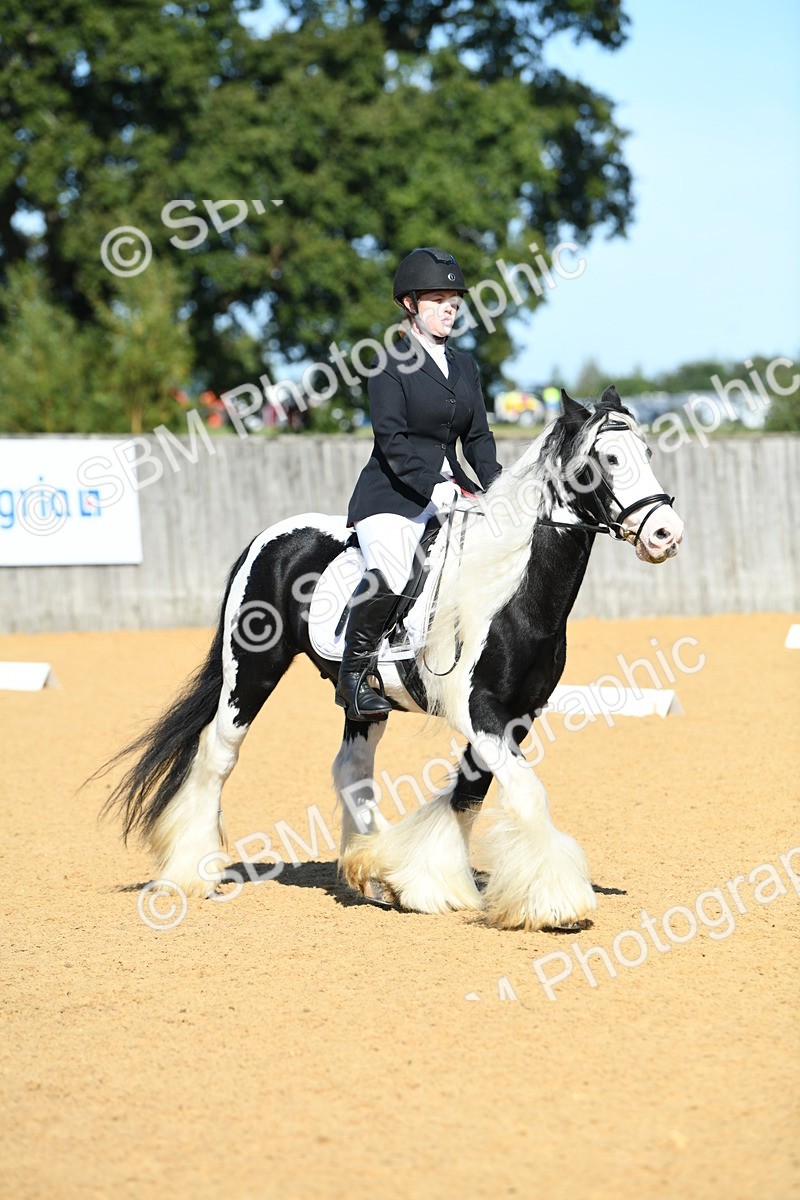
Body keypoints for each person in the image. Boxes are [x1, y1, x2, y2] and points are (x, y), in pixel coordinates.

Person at [335, 246, 503, 721]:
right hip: (393, 496)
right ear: (410, 304)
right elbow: (392, 440)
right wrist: (433, 485)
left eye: (454, 300)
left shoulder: (465, 366)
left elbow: (479, 438)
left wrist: (498, 487)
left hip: (454, 492)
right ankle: (353, 674)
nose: (449, 308)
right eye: (437, 300)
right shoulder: (388, 363)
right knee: (394, 568)